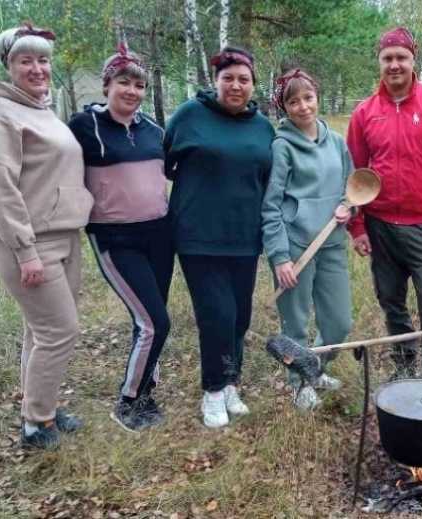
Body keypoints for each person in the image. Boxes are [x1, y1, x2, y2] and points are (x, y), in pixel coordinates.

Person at [0, 23, 94, 449]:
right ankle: (35, 426)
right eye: (26, 60)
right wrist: (25, 252)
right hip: (30, 243)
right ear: (8, 65)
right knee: (60, 331)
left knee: (39, 331)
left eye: (43, 60)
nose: (38, 68)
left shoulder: (39, 108)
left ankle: (38, 405)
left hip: (63, 235)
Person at [346, 27, 422, 381]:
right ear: (380, 63)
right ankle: (403, 364)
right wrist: (356, 226)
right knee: (391, 301)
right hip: (380, 225)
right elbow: (354, 174)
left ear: (413, 60)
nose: (394, 65)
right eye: (388, 58)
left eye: (401, 57)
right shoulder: (365, 112)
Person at [163, 46, 274, 428]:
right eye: (228, 78)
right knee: (216, 315)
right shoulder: (190, 115)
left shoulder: (263, 127)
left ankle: (231, 382)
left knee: (240, 316)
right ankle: (212, 390)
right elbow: (166, 162)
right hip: (198, 236)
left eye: (243, 79)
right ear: (216, 82)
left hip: (246, 236)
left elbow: (269, 179)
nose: (236, 85)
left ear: (253, 84)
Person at [68, 43, 173, 433]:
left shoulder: (154, 131)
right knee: (155, 323)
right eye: (123, 82)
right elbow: (54, 167)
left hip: (160, 235)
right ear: (107, 84)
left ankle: (147, 391)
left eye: (138, 84)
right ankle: (128, 402)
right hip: (115, 238)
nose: (131, 90)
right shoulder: (83, 127)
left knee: (148, 320)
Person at [261, 69, 353, 410]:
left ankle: (315, 367)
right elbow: (270, 206)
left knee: (339, 323)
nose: (302, 107)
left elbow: (351, 191)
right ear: (284, 106)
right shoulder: (282, 147)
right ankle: (300, 385)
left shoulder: (338, 142)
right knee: (295, 323)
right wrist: (280, 256)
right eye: (293, 101)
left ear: (317, 97)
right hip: (295, 247)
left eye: (308, 98)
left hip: (330, 243)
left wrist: (348, 208)